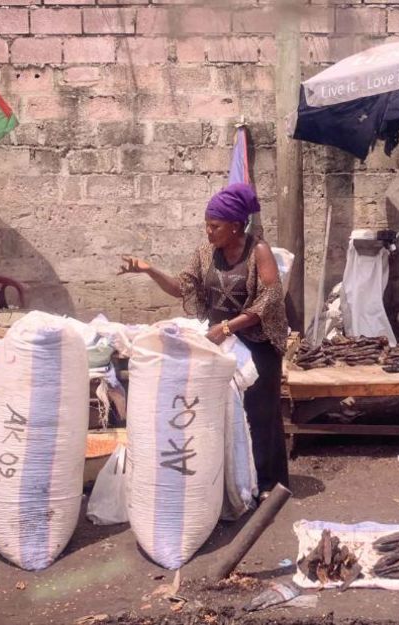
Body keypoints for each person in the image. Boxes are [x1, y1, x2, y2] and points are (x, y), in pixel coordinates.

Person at [119, 183, 290, 494]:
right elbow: (182, 287)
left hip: (256, 342)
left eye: (215, 226)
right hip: (221, 342)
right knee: (223, 413)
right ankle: (234, 483)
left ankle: (269, 484)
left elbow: (270, 299)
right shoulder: (205, 254)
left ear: (236, 226)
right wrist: (149, 270)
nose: (208, 232)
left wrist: (227, 327)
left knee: (260, 412)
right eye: (207, 225)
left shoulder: (258, 251)